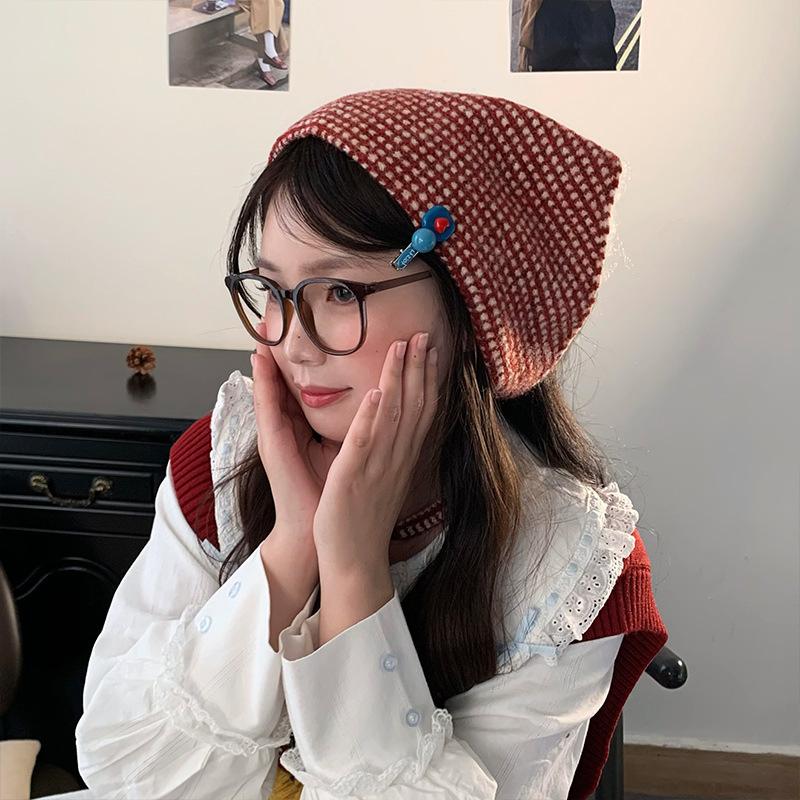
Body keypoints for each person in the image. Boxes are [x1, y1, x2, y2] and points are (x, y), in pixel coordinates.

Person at [38, 88, 667, 800]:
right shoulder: (221, 463)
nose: (292, 342)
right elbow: (129, 768)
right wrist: (292, 545)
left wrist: (352, 569)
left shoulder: (564, 563)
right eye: (271, 289)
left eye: (339, 292)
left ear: (471, 312)